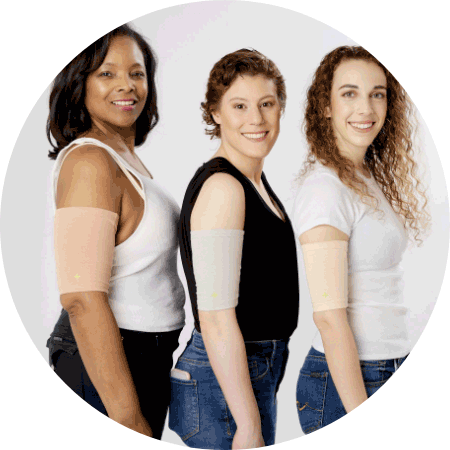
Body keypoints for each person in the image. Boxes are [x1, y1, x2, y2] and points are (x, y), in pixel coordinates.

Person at [46, 24, 185, 439]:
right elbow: (81, 299)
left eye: (137, 73)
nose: (127, 85)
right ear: (78, 83)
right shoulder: (90, 161)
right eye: (107, 73)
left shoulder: (123, 158)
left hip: (146, 357)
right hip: (107, 360)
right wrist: (127, 418)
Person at [293, 46, 430, 434]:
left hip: (388, 366)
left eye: (377, 93)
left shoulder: (365, 176)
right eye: (349, 93)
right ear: (326, 106)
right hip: (348, 382)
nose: (366, 108)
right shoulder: (325, 189)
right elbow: (328, 316)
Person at [168, 49, 299, 449]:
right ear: (215, 113)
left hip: (247, 370)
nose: (256, 119)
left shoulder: (253, 180)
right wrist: (248, 423)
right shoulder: (224, 188)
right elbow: (216, 316)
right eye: (239, 105)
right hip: (222, 378)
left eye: (267, 104)